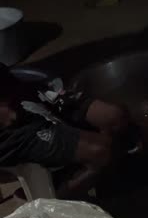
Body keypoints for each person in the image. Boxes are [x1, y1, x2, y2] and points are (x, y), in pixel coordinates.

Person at [0, 69, 136, 197]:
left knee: (115, 116)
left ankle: (89, 163)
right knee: (100, 150)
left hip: (18, 93)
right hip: (10, 132)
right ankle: (52, 202)